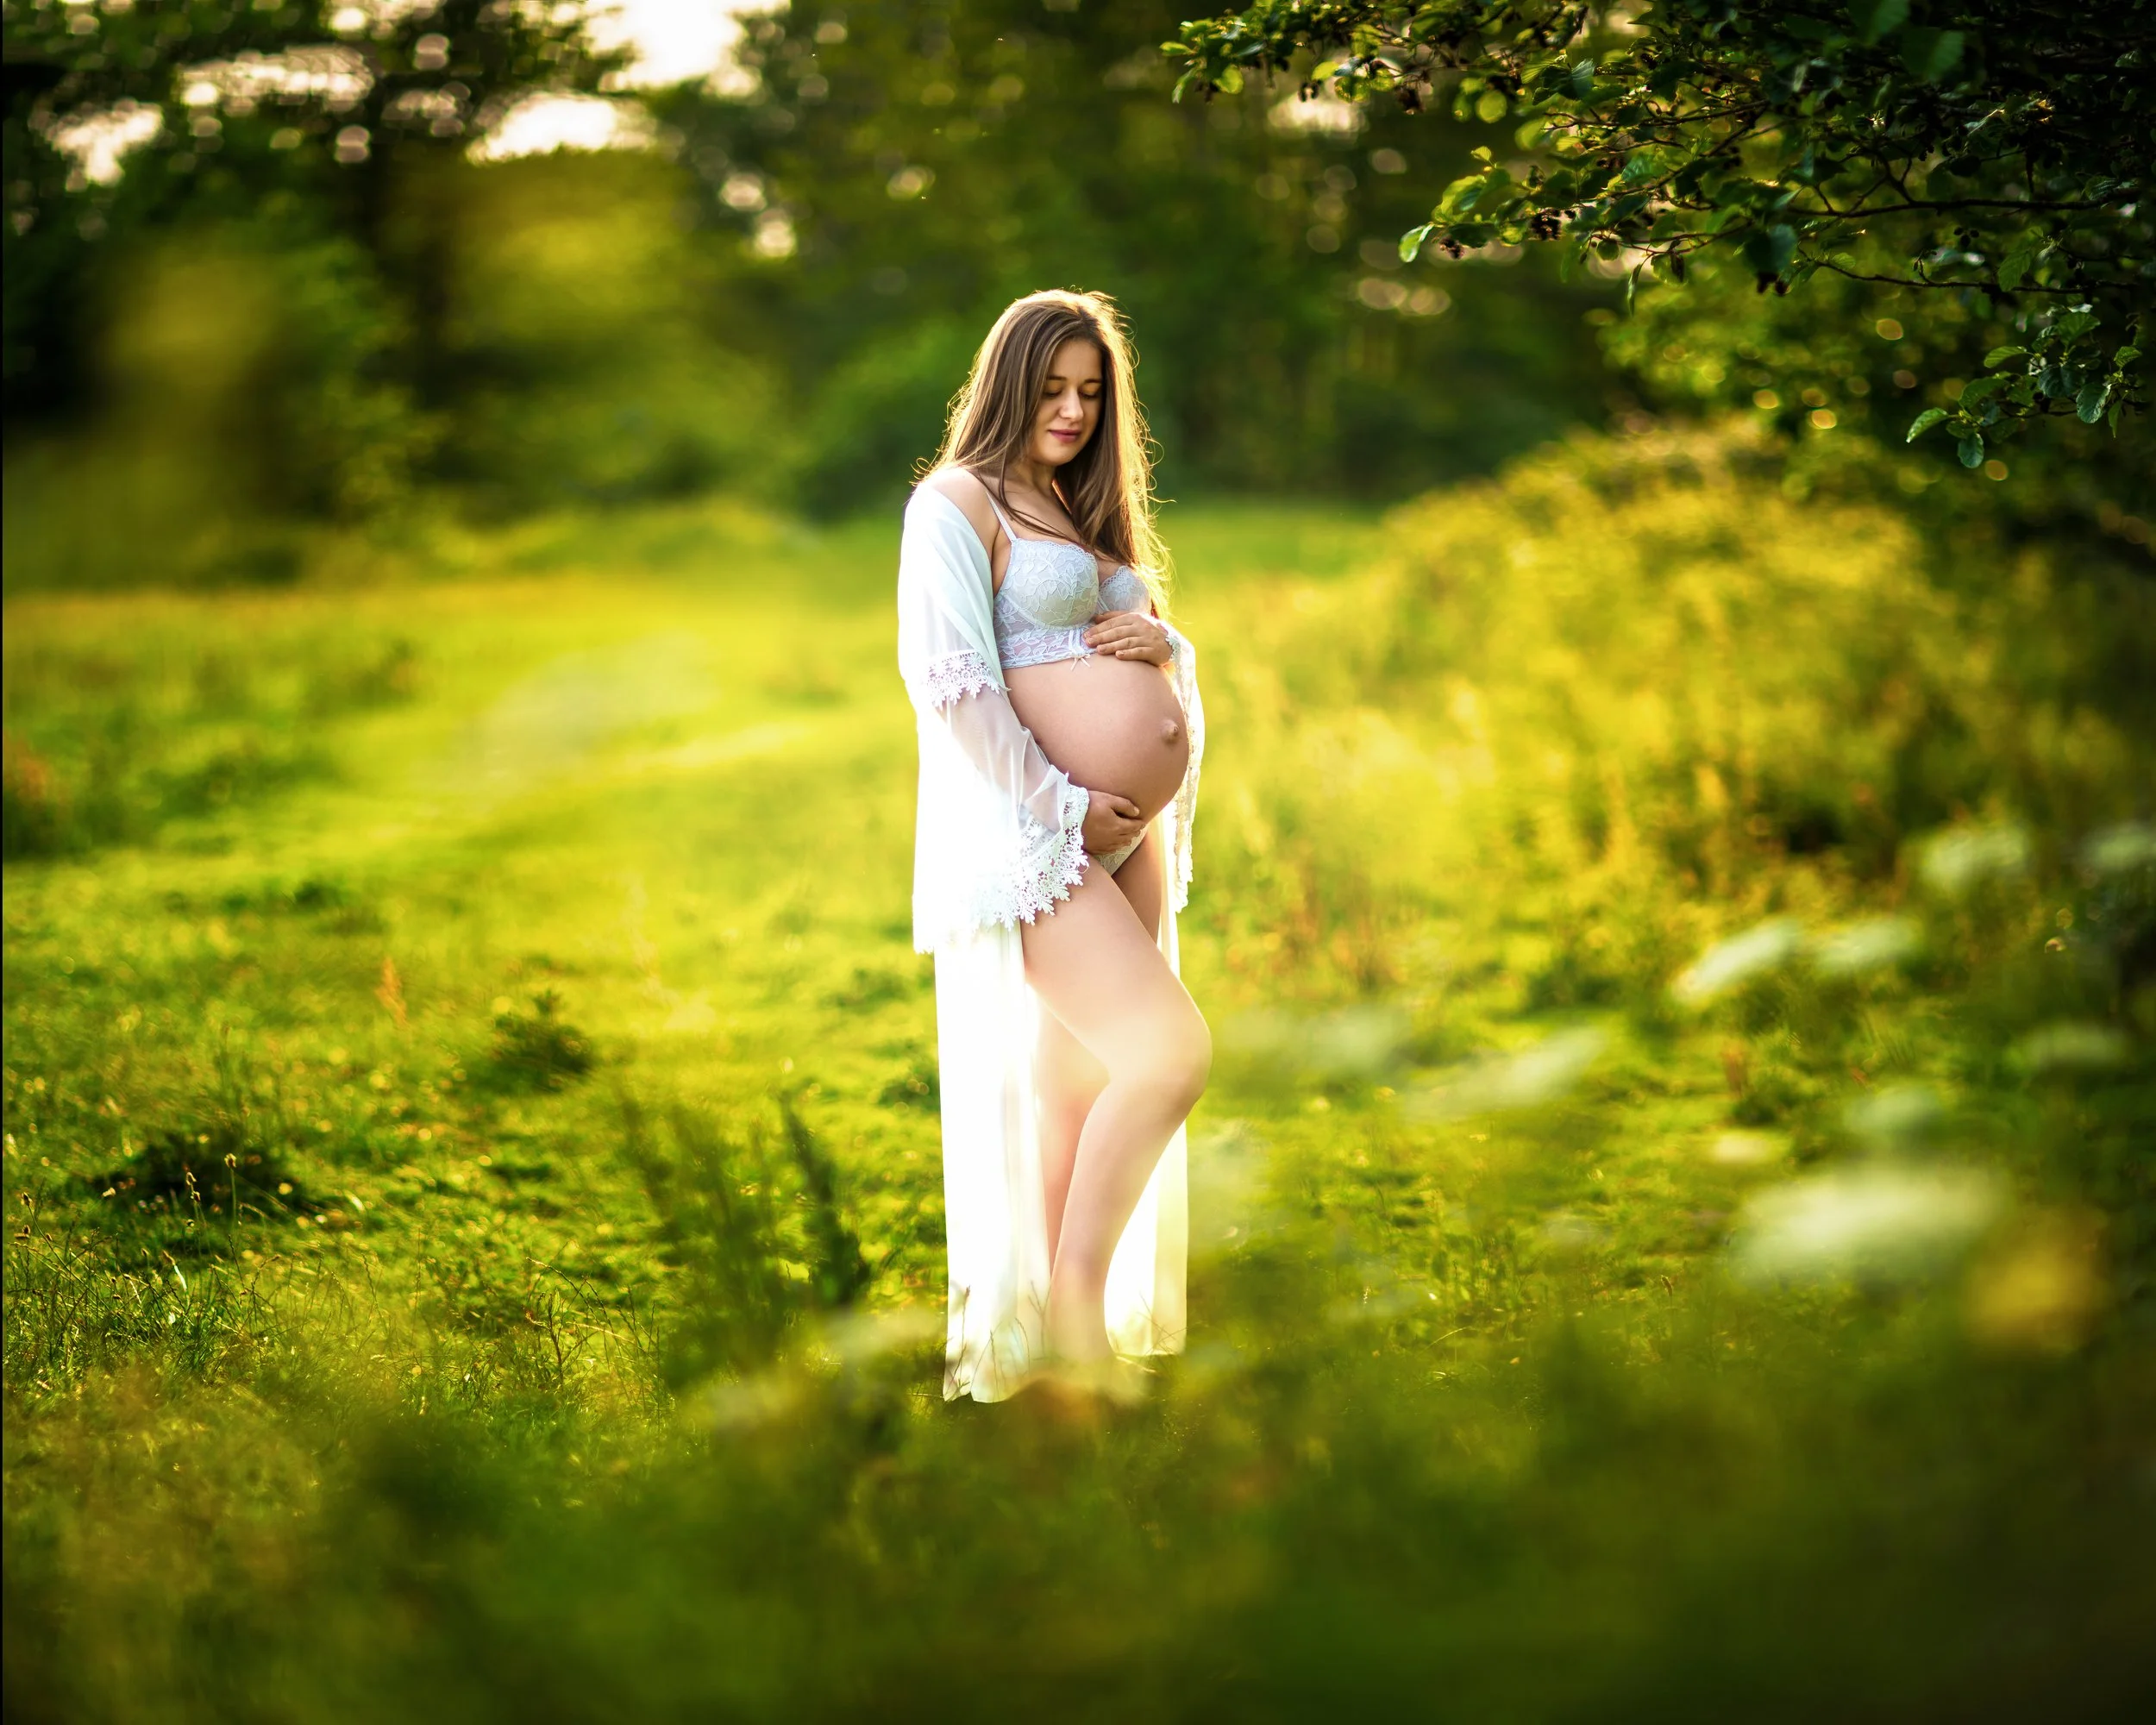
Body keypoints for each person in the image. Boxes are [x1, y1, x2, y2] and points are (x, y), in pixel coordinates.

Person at [896, 289, 1208, 1400]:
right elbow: (953, 687)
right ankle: (1076, 1316)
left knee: (1074, 1081)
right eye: (1051, 388)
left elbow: (1119, 648)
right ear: (1006, 384)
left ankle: (1048, 1353)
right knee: (1168, 1056)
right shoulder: (956, 502)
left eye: (1090, 392)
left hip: (1126, 836)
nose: (1072, 411)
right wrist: (1067, 811)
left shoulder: (1076, 508)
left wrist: (1160, 638)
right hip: (1041, 839)